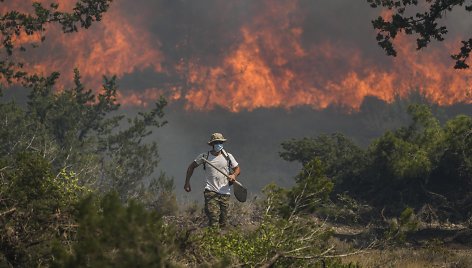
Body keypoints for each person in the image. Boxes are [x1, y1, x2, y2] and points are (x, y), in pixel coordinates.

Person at [184, 132, 241, 228]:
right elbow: (191, 167)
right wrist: (187, 183)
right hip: (211, 192)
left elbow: (237, 169)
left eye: (220, 142)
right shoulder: (205, 156)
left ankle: (219, 240)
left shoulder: (228, 156)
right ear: (212, 144)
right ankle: (212, 236)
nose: (219, 144)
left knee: (223, 222)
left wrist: (234, 175)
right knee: (213, 219)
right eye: (216, 142)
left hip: (225, 193)